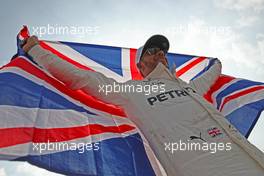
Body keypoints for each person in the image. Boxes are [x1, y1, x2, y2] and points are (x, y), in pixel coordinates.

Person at [23, 35, 264, 176]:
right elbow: (82, 78)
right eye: (152, 50)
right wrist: (36, 50)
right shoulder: (132, 92)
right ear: (140, 65)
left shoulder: (189, 88)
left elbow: (209, 77)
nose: (159, 53)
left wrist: (216, 63)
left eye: (162, 50)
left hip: (253, 160)